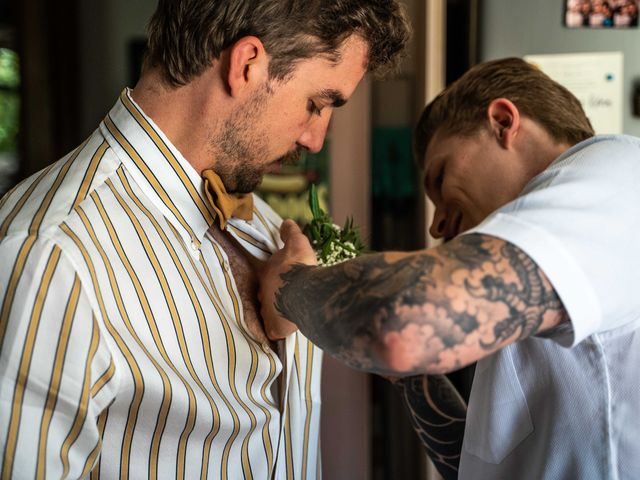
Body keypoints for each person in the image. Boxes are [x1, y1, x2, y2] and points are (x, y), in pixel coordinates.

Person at [0, 1, 409, 478]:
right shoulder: (50, 254)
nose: (316, 138)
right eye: (316, 104)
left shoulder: (268, 226)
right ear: (247, 65)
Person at [258, 57, 640, 479]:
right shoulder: (539, 266)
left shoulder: (621, 174)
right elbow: (480, 468)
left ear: (501, 121)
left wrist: (290, 285)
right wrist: (411, 377)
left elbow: (406, 323)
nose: (436, 224)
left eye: (440, 179)